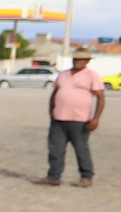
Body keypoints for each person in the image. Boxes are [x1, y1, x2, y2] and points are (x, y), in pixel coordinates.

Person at [33, 47, 105, 188]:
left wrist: (96, 118)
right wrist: (51, 110)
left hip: (80, 120)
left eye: (82, 59)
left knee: (81, 149)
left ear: (88, 61)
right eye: (76, 58)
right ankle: (53, 176)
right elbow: (55, 92)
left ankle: (86, 177)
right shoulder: (63, 74)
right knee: (55, 149)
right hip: (59, 119)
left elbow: (101, 98)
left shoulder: (92, 76)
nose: (78, 61)